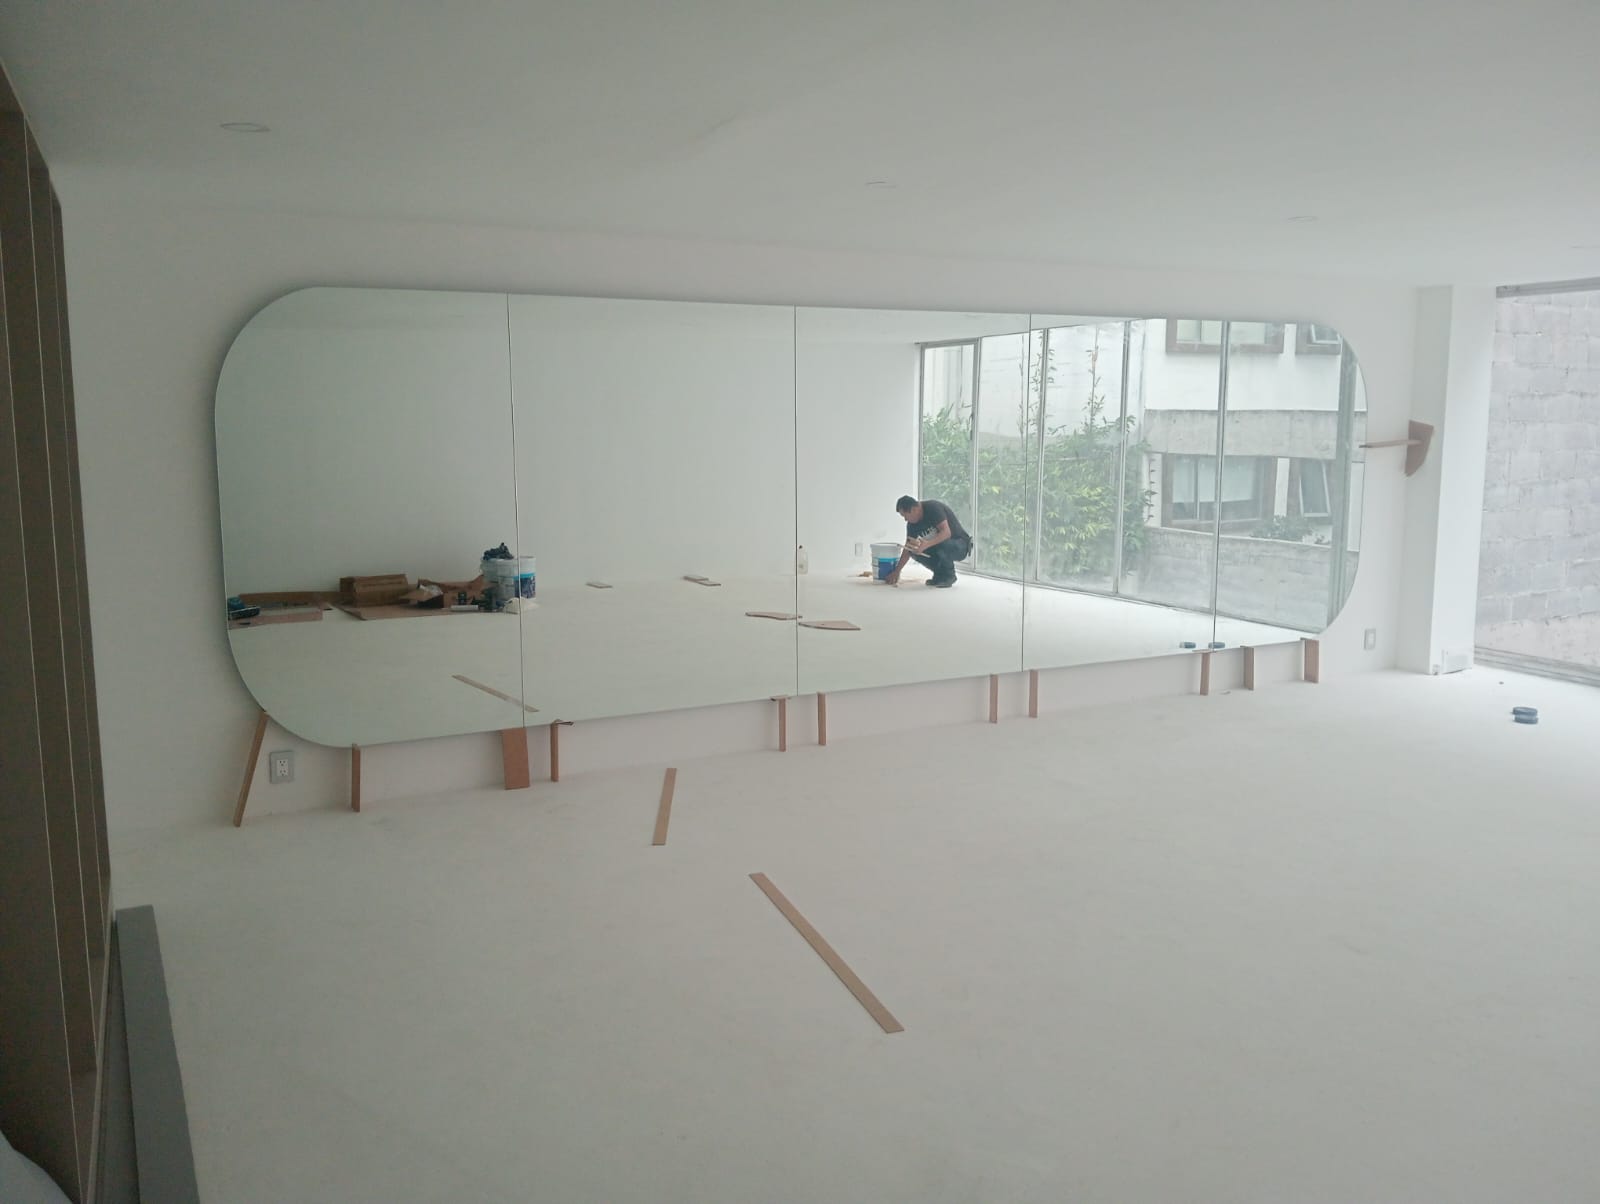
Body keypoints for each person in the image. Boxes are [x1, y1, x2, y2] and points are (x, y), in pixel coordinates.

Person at [886, 495, 972, 588]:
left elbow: (946, 533)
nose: (905, 519)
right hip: (940, 547)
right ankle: (939, 575)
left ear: (913, 509)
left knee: (941, 543)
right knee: (913, 550)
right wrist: (897, 571)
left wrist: (927, 544)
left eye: (905, 516)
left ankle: (949, 576)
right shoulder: (912, 525)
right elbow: (908, 548)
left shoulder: (933, 508)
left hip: (960, 545)